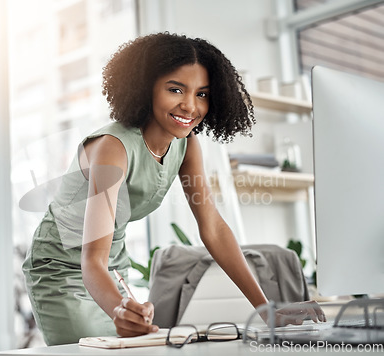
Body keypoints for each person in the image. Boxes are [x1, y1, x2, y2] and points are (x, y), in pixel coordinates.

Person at [22, 32, 325, 346]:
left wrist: (267, 310)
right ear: (145, 87)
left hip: (111, 270)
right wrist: (118, 309)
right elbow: (91, 261)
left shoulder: (186, 145)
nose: (190, 105)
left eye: (203, 94)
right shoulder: (112, 148)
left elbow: (213, 228)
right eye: (175, 89)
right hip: (63, 270)